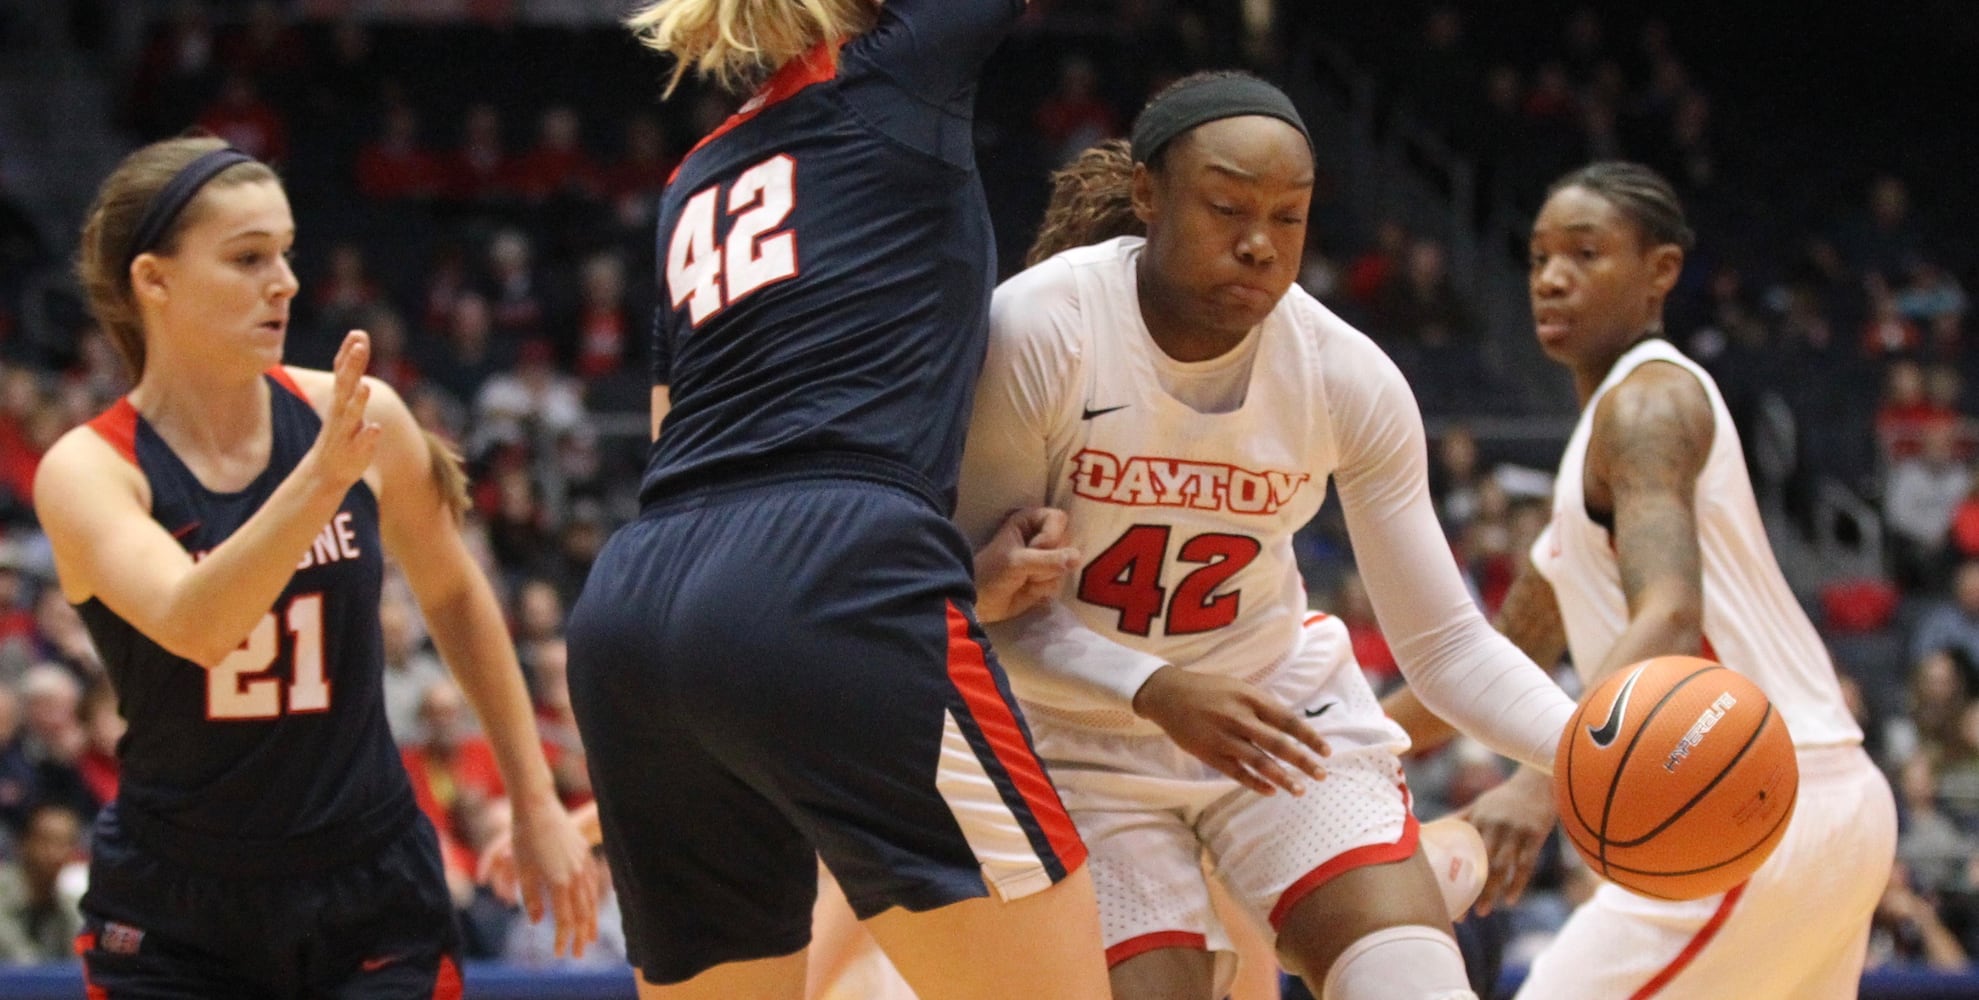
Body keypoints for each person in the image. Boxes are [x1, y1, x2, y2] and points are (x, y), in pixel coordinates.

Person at [955, 73, 1577, 1000]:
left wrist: (1592, 752)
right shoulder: (1039, 329)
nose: (1258, 244)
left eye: (1288, 218)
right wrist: (1154, 689)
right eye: (1226, 208)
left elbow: (1447, 644)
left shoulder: (1345, 375)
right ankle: (1442, 857)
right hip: (1071, 737)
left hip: (1273, 721)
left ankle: (1421, 864)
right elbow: (985, 612)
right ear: (1147, 197)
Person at [562, 2, 1109, 998]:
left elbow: (673, 431)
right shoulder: (894, 72)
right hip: (832, 576)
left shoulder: (695, 176)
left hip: (635, 610)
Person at [36, 135, 597, 997]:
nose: (286, 282)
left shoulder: (360, 415)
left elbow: (452, 591)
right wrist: (320, 480)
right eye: (248, 257)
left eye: (287, 252)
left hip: (366, 880)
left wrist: (532, 799)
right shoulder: (91, 468)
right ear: (155, 280)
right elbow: (198, 624)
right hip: (177, 904)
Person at [1384, 162, 1897, 998]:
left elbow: (1666, 611)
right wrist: (1341, 748)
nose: (1551, 277)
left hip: (1735, 790)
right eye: (1539, 257)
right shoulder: (1597, 453)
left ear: (1661, 271)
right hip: (1811, 798)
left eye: (1585, 254)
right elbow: (1486, 664)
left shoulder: (1647, 405)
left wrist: (1545, 777)